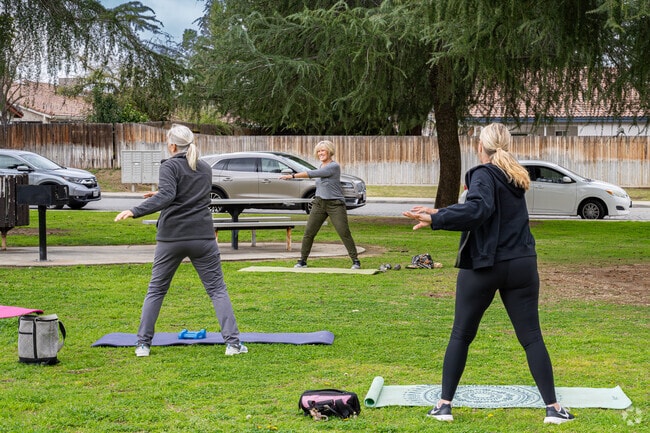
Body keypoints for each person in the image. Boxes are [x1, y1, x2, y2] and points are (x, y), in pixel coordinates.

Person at [402, 123, 574, 425]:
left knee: (461, 334)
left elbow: (479, 209)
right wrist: (439, 211)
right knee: (532, 338)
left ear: (480, 146)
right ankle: (553, 408)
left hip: (485, 266)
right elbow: (483, 208)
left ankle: (444, 406)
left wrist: (437, 219)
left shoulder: (483, 173)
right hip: (521, 265)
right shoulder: (514, 174)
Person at [114, 124, 247, 357]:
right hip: (203, 237)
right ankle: (233, 344)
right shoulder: (205, 167)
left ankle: (143, 344)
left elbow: (169, 196)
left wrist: (135, 210)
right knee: (217, 290)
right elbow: (189, 194)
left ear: (172, 145)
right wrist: (159, 194)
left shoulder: (169, 165)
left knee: (156, 290)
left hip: (172, 237)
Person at [280, 140, 361, 269]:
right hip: (319, 203)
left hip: (335, 204)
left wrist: (292, 176)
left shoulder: (333, 166)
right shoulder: (321, 166)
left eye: (323, 150)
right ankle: (302, 261)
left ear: (329, 151)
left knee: (343, 232)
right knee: (309, 232)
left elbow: (312, 174)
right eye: (318, 151)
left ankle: (355, 261)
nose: (320, 153)